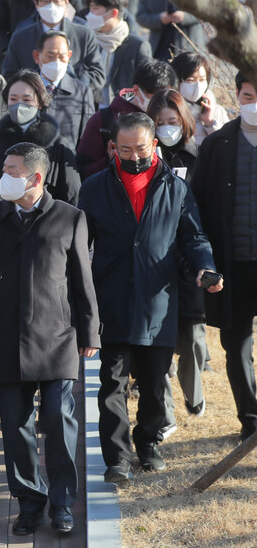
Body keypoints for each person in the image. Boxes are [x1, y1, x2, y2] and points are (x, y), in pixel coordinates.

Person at [0, 142, 99, 536]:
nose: (4, 176)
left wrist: (90, 332)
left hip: (58, 338)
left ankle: (62, 504)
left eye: (12, 170)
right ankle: (29, 502)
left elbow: (82, 282)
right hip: (7, 337)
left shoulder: (69, 217)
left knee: (57, 418)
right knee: (14, 426)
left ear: (35, 177)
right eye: (3, 168)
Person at [77, 113, 218, 480]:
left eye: (140, 148)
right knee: (112, 384)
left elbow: (193, 238)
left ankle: (148, 443)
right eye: (125, 149)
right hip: (111, 298)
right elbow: (79, 246)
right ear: (114, 147)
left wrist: (204, 267)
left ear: (154, 144)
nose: (133, 155)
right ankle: (117, 457)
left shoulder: (176, 187)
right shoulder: (94, 188)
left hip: (158, 298)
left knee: (155, 382)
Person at [191, 73, 257, 441]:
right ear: (236, 94)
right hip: (233, 265)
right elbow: (197, 204)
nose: (254, 104)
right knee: (237, 345)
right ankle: (250, 420)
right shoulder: (217, 145)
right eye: (248, 95)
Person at [146, 90, 208, 423]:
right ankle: (164, 414)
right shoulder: (146, 160)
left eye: (172, 121)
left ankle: (194, 394)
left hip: (192, 259)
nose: (167, 128)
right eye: (159, 123)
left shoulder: (199, 157)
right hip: (156, 261)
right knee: (160, 342)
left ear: (184, 121)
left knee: (194, 336)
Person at [0, 70, 80, 204]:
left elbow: (72, 194)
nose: (19, 105)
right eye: (13, 99)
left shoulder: (58, 145)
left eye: (27, 99)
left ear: (40, 103)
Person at [0, 0, 104, 98]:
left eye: (57, 0)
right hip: (32, 103)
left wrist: (73, 84)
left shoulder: (84, 35)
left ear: (66, 3)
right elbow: (9, 74)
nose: (51, 5)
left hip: (73, 103)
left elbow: (98, 75)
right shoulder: (21, 37)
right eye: (45, 1)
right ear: (36, 3)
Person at [76, 59, 178, 179]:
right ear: (136, 91)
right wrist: (110, 161)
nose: (161, 102)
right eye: (155, 97)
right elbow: (82, 170)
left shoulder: (173, 117)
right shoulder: (104, 120)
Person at [84, 0, 152, 108]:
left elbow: (145, 85)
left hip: (124, 111)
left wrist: (126, 102)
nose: (91, 14)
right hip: (90, 108)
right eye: (90, 9)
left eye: (96, 8)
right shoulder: (87, 40)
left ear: (113, 13)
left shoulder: (137, 46)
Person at [30, 29, 94, 147]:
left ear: (69, 56)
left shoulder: (81, 92)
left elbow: (87, 138)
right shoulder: (24, 88)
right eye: (50, 56)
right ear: (37, 56)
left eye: (62, 56)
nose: (56, 62)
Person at [170, 51, 229, 144]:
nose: (197, 85)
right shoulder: (168, 113)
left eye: (202, 80)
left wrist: (210, 123)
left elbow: (227, 145)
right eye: (190, 80)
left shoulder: (217, 112)